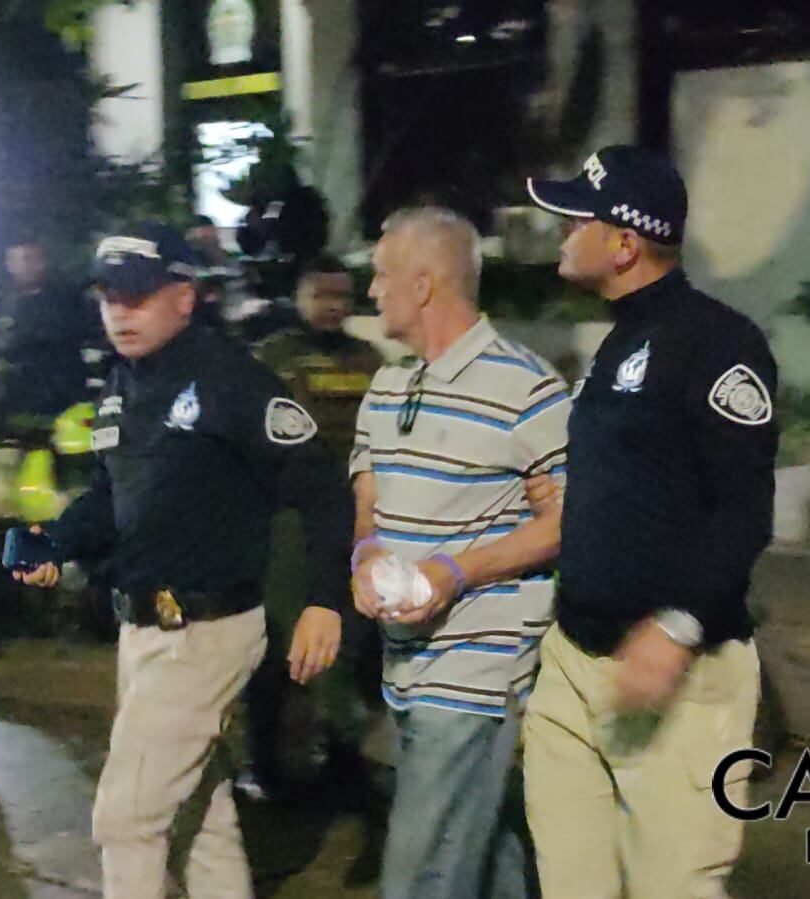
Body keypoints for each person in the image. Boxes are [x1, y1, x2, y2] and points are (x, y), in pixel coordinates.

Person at [14, 222, 352, 899]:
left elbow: (322, 491)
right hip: (143, 629)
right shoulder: (122, 382)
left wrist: (323, 600)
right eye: (108, 297)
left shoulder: (230, 380)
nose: (119, 312)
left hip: (205, 630)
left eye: (136, 296)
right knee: (200, 813)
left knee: (126, 820)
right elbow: (110, 495)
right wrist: (52, 539)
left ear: (184, 296)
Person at [522, 146, 778, 899]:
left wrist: (675, 626)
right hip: (573, 661)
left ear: (625, 243)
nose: (562, 231)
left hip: (675, 678)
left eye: (578, 220)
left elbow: (744, 509)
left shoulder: (718, 344)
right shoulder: (618, 341)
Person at [348, 206, 569, 899]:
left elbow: (569, 519)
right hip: (403, 666)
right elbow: (368, 485)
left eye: (381, 275)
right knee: (488, 855)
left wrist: (453, 571)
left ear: (422, 285)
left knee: (421, 873)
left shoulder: (526, 387)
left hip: (475, 670)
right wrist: (365, 553)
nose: (370, 290)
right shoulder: (389, 384)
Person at [243, 255, 385, 799]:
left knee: (347, 640)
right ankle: (263, 761)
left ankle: (343, 758)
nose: (332, 306)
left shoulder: (369, 360)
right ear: (298, 297)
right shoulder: (271, 357)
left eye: (341, 295)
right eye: (320, 294)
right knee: (273, 639)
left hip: (352, 514)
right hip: (285, 519)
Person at [0, 240, 101, 420]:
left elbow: (81, 330)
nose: (25, 266)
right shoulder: (1, 300)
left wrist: (27, 337)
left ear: (43, 261)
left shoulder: (67, 295)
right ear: (8, 265)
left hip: (62, 390)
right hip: (16, 393)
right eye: (17, 260)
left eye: (31, 259)